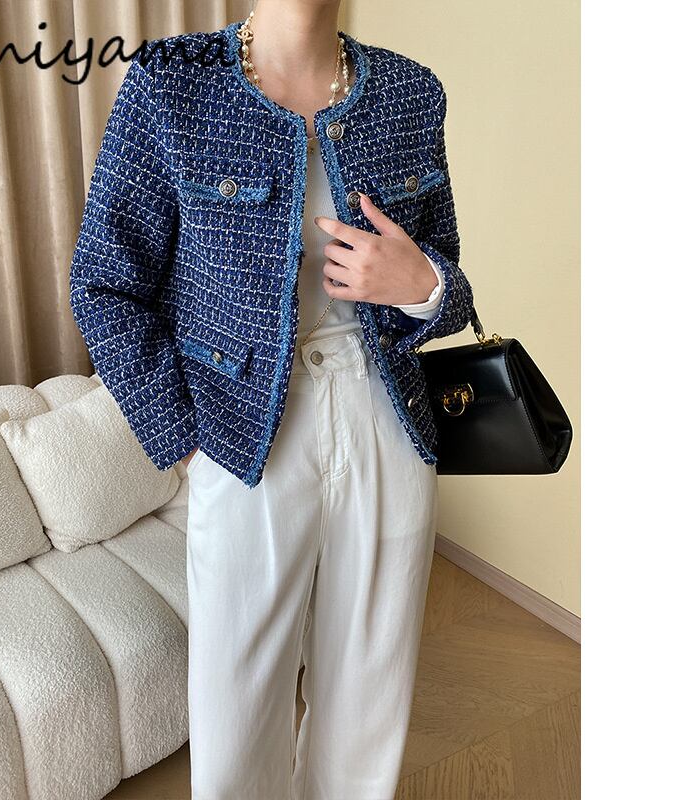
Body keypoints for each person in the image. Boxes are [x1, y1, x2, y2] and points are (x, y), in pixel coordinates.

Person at [69, 2, 475, 797]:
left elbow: (449, 280)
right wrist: (185, 438)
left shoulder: (411, 92)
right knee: (237, 709)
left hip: (386, 423)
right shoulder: (170, 84)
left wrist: (423, 284)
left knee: (370, 703)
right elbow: (104, 284)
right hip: (243, 435)